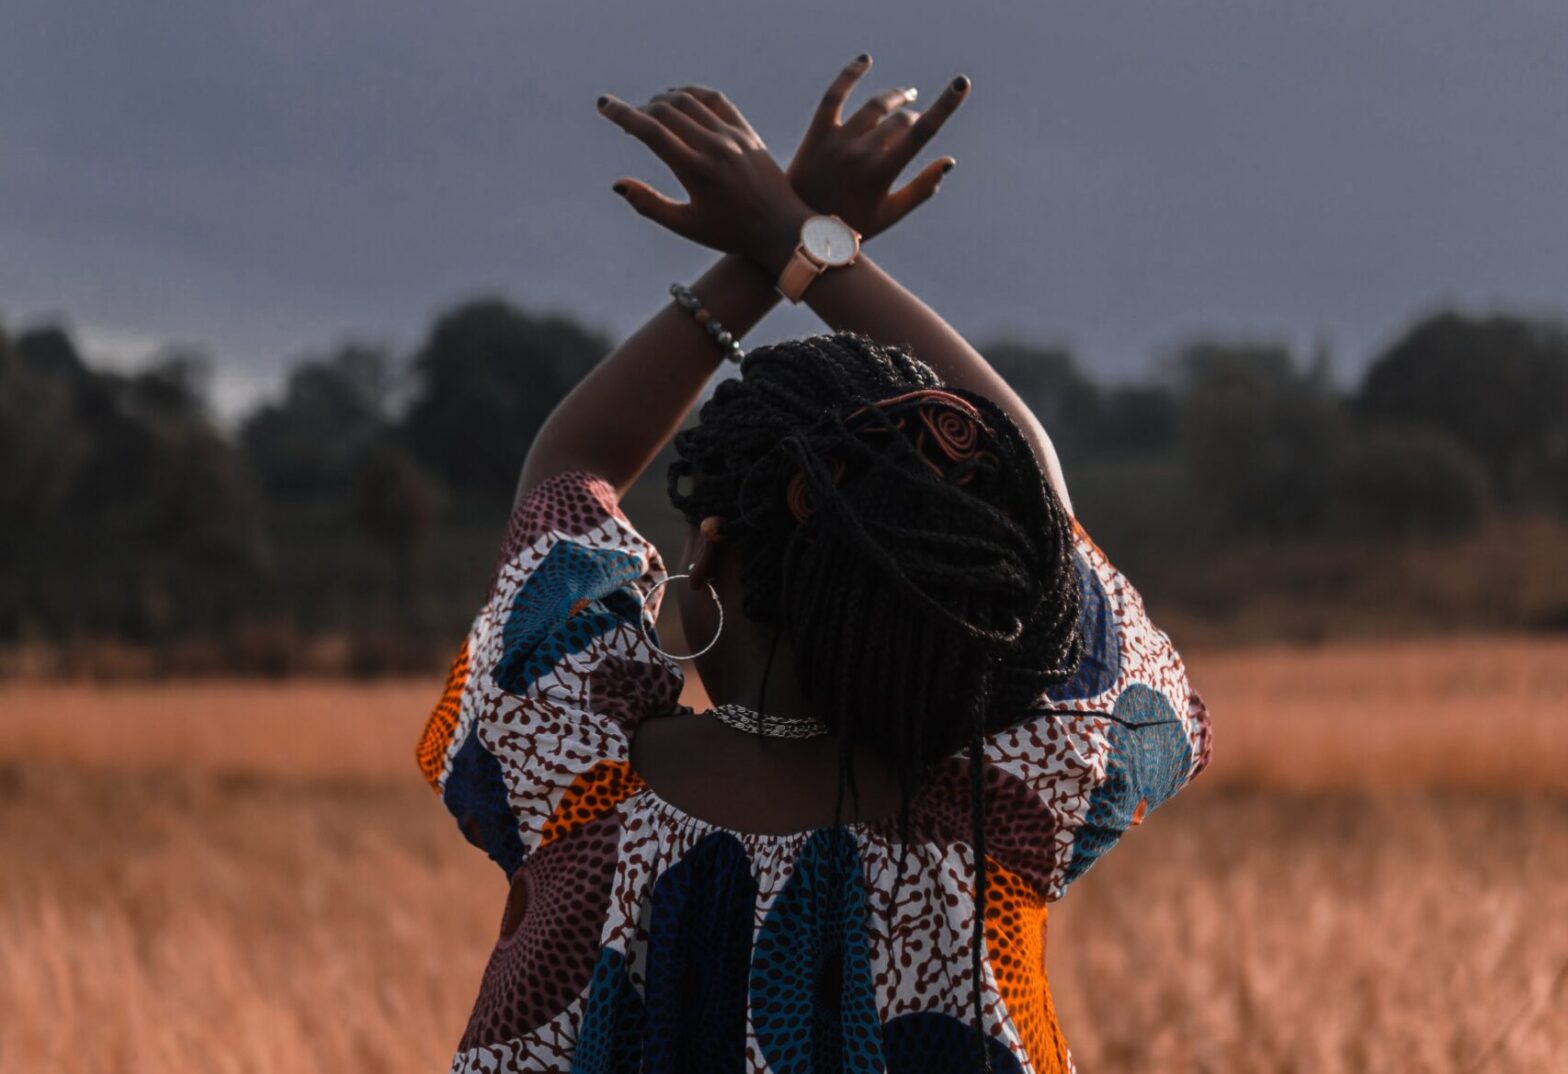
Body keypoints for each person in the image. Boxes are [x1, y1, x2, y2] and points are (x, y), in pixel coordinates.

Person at [416, 55, 1212, 1074]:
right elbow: (1040, 522)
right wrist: (803, 246)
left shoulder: (567, 767)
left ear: (708, 553)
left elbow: (568, 469)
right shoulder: (1004, 799)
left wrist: (758, 257)